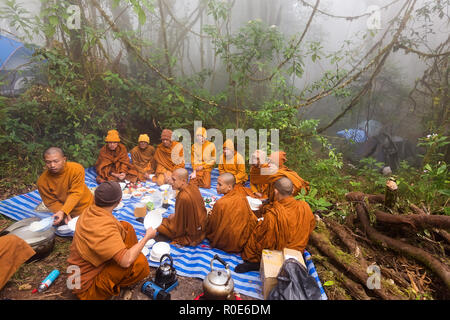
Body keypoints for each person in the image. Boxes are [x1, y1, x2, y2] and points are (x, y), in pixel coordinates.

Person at [67, 181, 155, 300]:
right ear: (118, 202)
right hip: (86, 289)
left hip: (76, 275)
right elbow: (126, 261)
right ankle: (118, 284)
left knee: (125, 226)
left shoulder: (89, 211)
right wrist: (146, 237)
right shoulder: (104, 228)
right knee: (140, 262)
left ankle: (124, 256)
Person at [236, 177, 301, 273]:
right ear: (293, 190)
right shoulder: (304, 207)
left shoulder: (273, 215)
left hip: (278, 251)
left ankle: (256, 263)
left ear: (275, 192)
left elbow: (266, 242)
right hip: (295, 251)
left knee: (254, 232)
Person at [37, 147, 94, 225]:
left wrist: (63, 211)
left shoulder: (76, 169)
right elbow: (51, 202)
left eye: (56, 161)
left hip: (88, 205)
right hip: (67, 212)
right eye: (48, 162)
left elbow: (76, 193)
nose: (52, 165)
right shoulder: (42, 181)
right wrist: (64, 214)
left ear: (64, 159)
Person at [205, 173, 257, 253]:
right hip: (241, 240)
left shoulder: (220, 203)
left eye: (220, 185)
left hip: (226, 243)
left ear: (229, 187)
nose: (216, 187)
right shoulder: (242, 196)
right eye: (216, 184)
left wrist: (208, 215)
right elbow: (250, 217)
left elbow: (213, 226)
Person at [157, 168, 207, 246]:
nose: (171, 182)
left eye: (174, 180)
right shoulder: (193, 186)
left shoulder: (182, 197)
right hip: (201, 227)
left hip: (192, 234)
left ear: (183, 181)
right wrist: (176, 216)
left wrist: (171, 221)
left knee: (158, 225)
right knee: (170, 218)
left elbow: (179, 227)